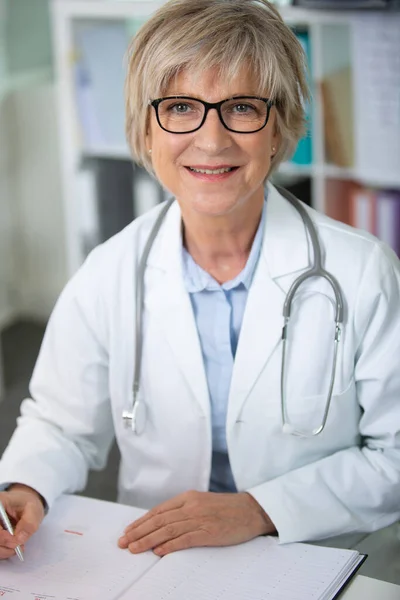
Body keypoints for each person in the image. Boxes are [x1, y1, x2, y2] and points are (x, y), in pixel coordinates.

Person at [0, 0, 399, 569]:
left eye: (240, 107)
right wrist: (25, 488)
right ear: (145, 127)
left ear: (280, 122)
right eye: (181, 107)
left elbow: (396, 456)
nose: (211, 141)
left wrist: (260, 509)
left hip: (319, 556)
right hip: (158, 559)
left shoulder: (363, 273)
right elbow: (59, 423)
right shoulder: (111, 271)